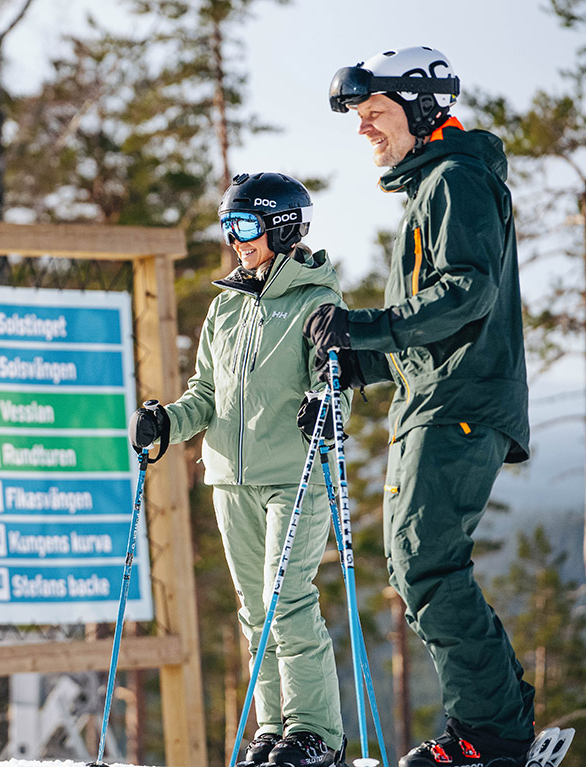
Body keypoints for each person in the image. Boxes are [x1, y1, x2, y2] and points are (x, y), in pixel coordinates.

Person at [312, 46, 536, 767]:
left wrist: (364, 325)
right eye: (358, 116)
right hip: (440, 397)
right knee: (421, 564)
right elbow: (428, 329)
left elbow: (466, 295)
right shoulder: (431, 186)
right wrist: (353, 365)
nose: (363, 129)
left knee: (426, 561)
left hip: (460, 400)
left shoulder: (454, 179)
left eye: (373, 112)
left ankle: (490, 734)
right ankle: (492, 721)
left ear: (418, 106)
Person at [130, 173, 350, 767]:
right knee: (255, 609)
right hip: (230, 478)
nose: (235, 239)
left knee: (289, 602)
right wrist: (168, 423)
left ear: (281, 226)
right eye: (228, 226)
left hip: (295, 474)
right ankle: (275, 728)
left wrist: (326, 408)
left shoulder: (317, 301)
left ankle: (316, 733)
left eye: (246, 225)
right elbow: (207, 391)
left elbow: (337, 380)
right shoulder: (226, 305)